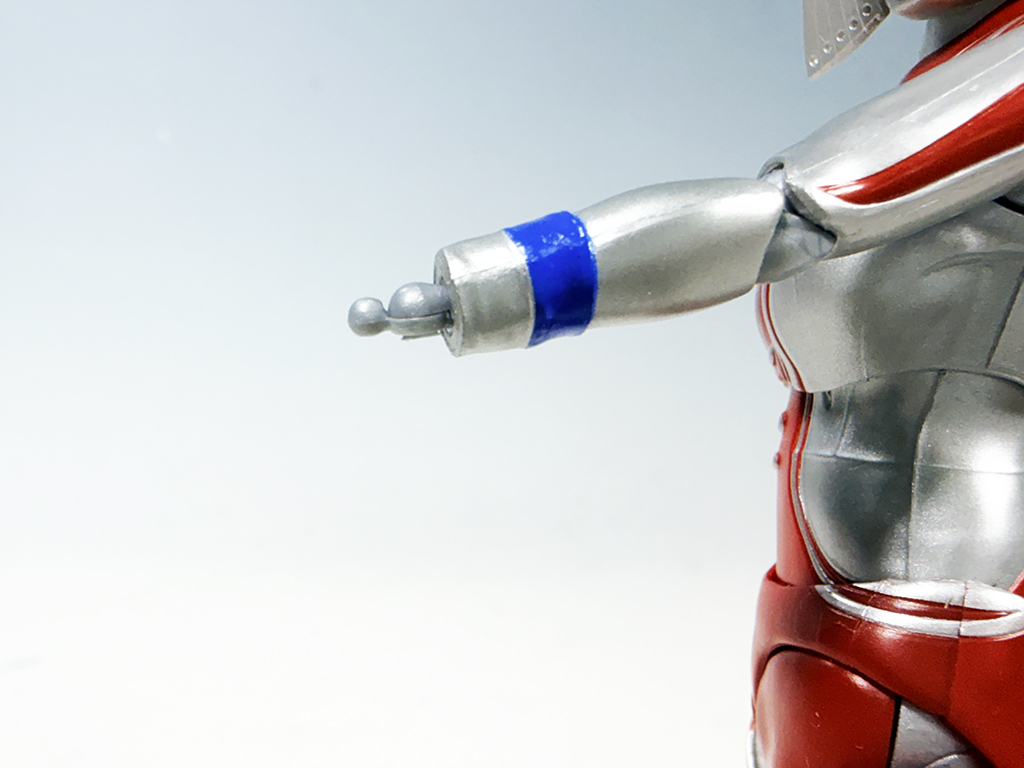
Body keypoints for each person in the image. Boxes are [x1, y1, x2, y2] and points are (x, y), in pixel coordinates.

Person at [351, 1, 1024, 764]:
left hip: (937, 612)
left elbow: (789, 220)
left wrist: (515, 278)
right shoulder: (953, 72)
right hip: (837, 599)